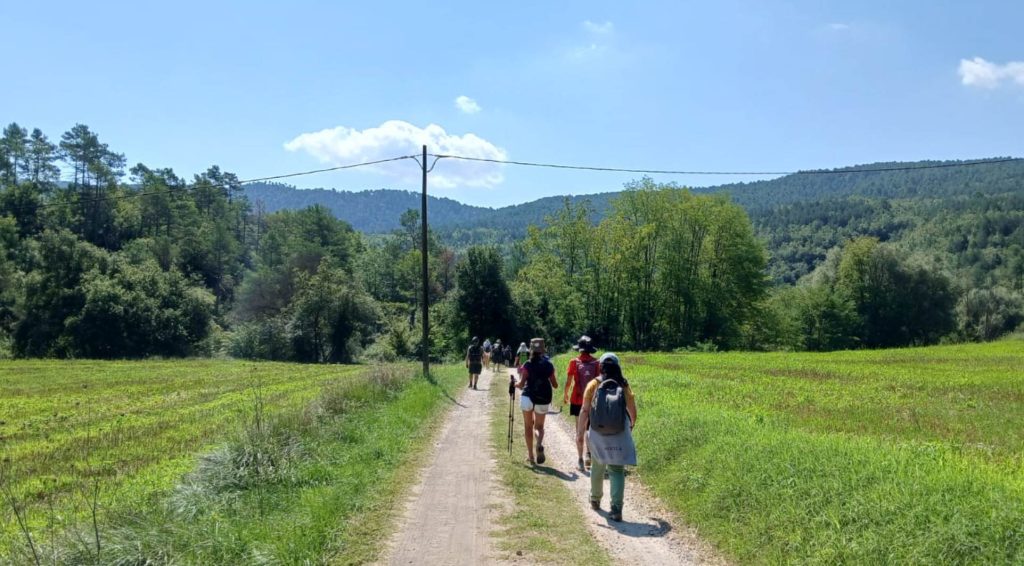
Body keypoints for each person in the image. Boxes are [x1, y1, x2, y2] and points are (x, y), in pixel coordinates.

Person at [577, 352, 637, 522]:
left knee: (597, 466)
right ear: (618, 366)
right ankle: (616, 509)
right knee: (617, 469)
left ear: (601, 366)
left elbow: (585, 410)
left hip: (597, 431)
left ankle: (595, 500)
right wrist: (631, 425)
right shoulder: (624, 385)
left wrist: (581, 430)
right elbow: (632, 410)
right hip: (619, 430)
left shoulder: (593, 384)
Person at [515, 338, 558, 465]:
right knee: (539, 427)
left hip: (528, 397)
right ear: (543, 350)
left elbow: (522, 384)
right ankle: (539, 443)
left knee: (528, 427)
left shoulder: (527, 364)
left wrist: (515, 384)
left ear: (531, 350)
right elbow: (555, 385)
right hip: (543, 398)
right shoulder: (549, 365)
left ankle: (531, 456)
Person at [563, 335, 601, 471]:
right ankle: (588, 455)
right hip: (592, 401)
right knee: (590, 429)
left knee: (579, 430)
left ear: (579, 349)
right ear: (591, 349)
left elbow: (568, 382)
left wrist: (565, 394)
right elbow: (599, 383)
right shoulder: (597, 363)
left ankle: (580, 460)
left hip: (577, 399)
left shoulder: (574, 362)